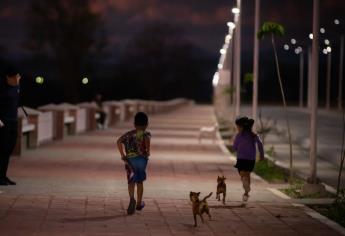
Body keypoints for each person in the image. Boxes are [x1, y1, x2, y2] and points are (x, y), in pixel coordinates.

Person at [117, 112, 151, 215]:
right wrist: (147, 153)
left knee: (131, 181)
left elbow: (118, 141)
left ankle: (132, 198)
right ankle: (139, 203)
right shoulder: (145, 134)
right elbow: (147, 147)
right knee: (139, 182)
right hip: (141, 161)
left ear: (134, 124)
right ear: (147, 124)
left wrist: (123, 155)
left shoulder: (128, 134)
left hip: (129, 161)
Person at [231, 116, 264, 202]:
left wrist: (234, 147)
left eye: (238, 127)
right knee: (247, 174)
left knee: (242, 174)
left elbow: (234, 147)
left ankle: (245, 187)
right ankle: (246, 193)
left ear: (242, 127)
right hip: (250, 160)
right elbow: (260, 144)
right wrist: (261, 155)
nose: (237, 128)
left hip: (241, 159)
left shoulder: (239, 136)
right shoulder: (253, 135)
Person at [0, 66, 21, 185]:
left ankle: (3, 175)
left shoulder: (17, 86)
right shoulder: (2, 88)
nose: (17, 80)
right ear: (8, 77)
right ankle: (0, 177)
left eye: (18, 77)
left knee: (9, 149)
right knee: (2, 149)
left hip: (14, 121)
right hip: (3, 122)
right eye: (15, 78)